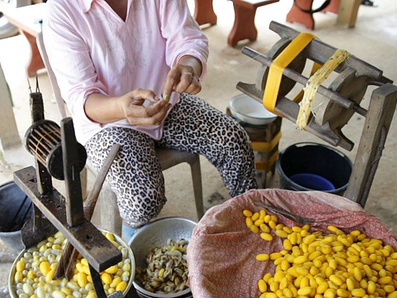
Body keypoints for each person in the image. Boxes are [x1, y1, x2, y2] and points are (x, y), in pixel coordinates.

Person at [42, 0, 258, 239]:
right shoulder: (62, 9)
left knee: (232, 140)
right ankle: (133, 249)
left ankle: (253, 225)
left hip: (165, 100)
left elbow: (187, 39)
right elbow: (82, 98)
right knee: (143, 199)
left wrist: (188, 67)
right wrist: (123, 108)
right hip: (108, 121)